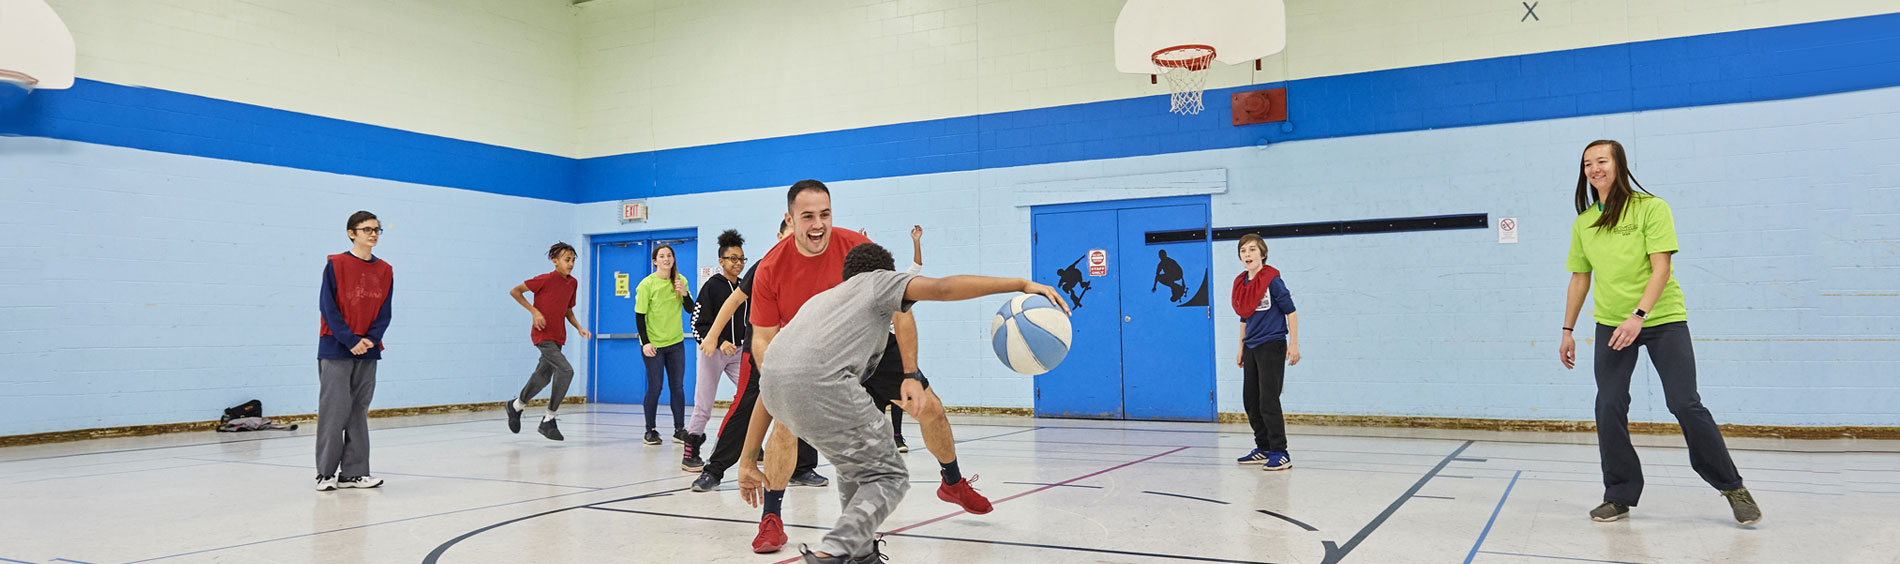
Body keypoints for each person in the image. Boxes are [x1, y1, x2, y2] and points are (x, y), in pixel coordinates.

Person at [736, 242, 1070, 563]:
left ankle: (862, 553)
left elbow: (770, 387)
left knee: (857, 466)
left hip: (778, 383)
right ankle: (835, 550)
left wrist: (748, 460)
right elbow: (942, 288)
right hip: (826, 382)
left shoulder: (822, 302)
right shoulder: (878, 281)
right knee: (889, 476)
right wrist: (1022, 283)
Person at [743, 181, 994, 554]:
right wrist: (778, 386)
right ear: (789, 219)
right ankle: (773, 518)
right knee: (785, 427)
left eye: (825, 215)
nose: (818, 224)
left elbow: (900, 310)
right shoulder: (770, 267)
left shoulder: (855, 249)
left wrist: (911, 373)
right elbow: (762, 338)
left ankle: (952, 481)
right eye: (807, 216)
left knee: (931, 407)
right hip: (816, 359)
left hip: (873, 344)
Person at [1559, 139, 1760, 526]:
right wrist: (1567, 329)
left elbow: (1661, 269)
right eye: (1587, 164)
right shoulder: (1584, 222)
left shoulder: (1651, 208)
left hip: (1661, 319)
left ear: (1619, 165)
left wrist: (1638, 315)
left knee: (1684, 403)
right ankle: (1618, 494)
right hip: (1612, 325)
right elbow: (1580, 277)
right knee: (1609, 403)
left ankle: (1732, 487)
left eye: (1602, 161)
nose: (1594, 169)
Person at [691, 220, 826, 506]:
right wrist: (713, 335)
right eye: (791, 236)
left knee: (802, 410)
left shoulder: (816, 267)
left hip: (799, 354)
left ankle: (802, 468)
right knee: (745, 409)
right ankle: (714, 470)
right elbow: (735, 300)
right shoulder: (766, 265)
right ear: (780, 236)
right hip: (759, 350)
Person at [315, 210, 392, 492]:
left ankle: (355, 472)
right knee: (334, 411)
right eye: (367, 229)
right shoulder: (336, 264)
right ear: (352, 233)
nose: (373, 234)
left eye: (377, 230)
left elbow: (385, 311)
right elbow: (328, 307)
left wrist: (371, 338)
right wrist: (350, 339)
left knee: (358, 411)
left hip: (368, 350)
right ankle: (325, 473)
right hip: (336, 348)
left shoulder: (385, 270)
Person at [503, 242, 591, 441]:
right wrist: (534, 312)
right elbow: (515, 291)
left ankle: (516, 406)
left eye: (573, 260)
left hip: (559, 336)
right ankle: (549, 419)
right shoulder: (544, 280)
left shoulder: (572, 283)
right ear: (555, 261)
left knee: (542, 376)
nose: (570, 264)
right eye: (566, 260)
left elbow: (568, 310)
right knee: (566, 370)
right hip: (542, 335)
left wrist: (578, 327)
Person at [1230, 234, 1299, 471]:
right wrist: (1240, 347)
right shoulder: (1242, 283)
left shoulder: (1272, 280)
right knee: (1250, 400)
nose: (1247, 254)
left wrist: (1294, 344)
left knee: (1268, 399)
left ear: (1263, 254)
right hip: (1251, 346)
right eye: (1243, 251)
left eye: (1252, 250)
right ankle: (1264, 447)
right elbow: (1244, 318)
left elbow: (1291, 311)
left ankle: (1281, 452)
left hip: (1272, 344)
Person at [683, 230, 751, 472]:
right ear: (721, 261)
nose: (738, 263)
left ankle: (751, 445)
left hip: (739, 352)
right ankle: (691, 449)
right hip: (713, 353)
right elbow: (697, 322)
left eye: (742, 259)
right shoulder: (712, 286)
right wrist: (720, 341)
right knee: (704, 404)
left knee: (751, 393)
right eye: (732, 258)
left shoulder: (745, 287)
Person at [635, 243, 695, 446]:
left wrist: (685, 293)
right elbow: (640, 317)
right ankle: (650, 430)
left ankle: (680, 429)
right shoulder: (646, 285)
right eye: (662, 256)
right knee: (656, 387)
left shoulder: (681, 280)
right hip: (654, 344)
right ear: (655, 261)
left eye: (669, 255)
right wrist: (646, 342)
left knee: (677, 386)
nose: (666, 259)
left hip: (676, 343)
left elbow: (691, 310)